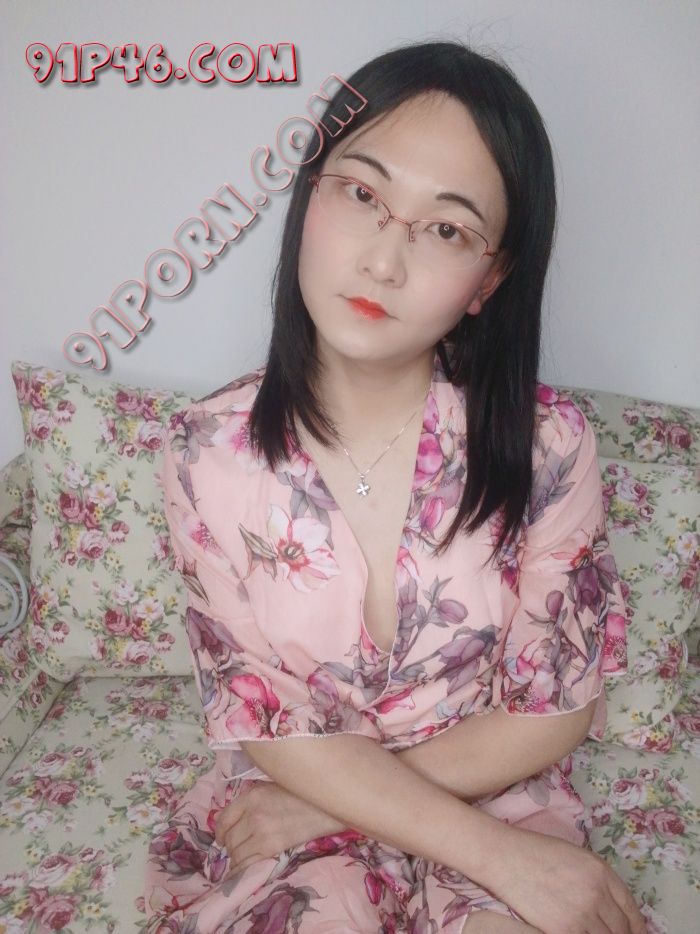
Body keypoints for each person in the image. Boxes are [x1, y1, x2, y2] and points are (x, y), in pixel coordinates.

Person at [143, 39, 646, 934]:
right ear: (309, 196)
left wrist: (460, 843)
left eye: (446, 229)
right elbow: (260, 710)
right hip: (294, 797)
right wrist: (330, 813)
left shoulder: (548, 444)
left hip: (492, 795)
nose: (384, 262)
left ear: (489, 279)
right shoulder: (204, 453)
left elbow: (555, 708)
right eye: (363, 195)